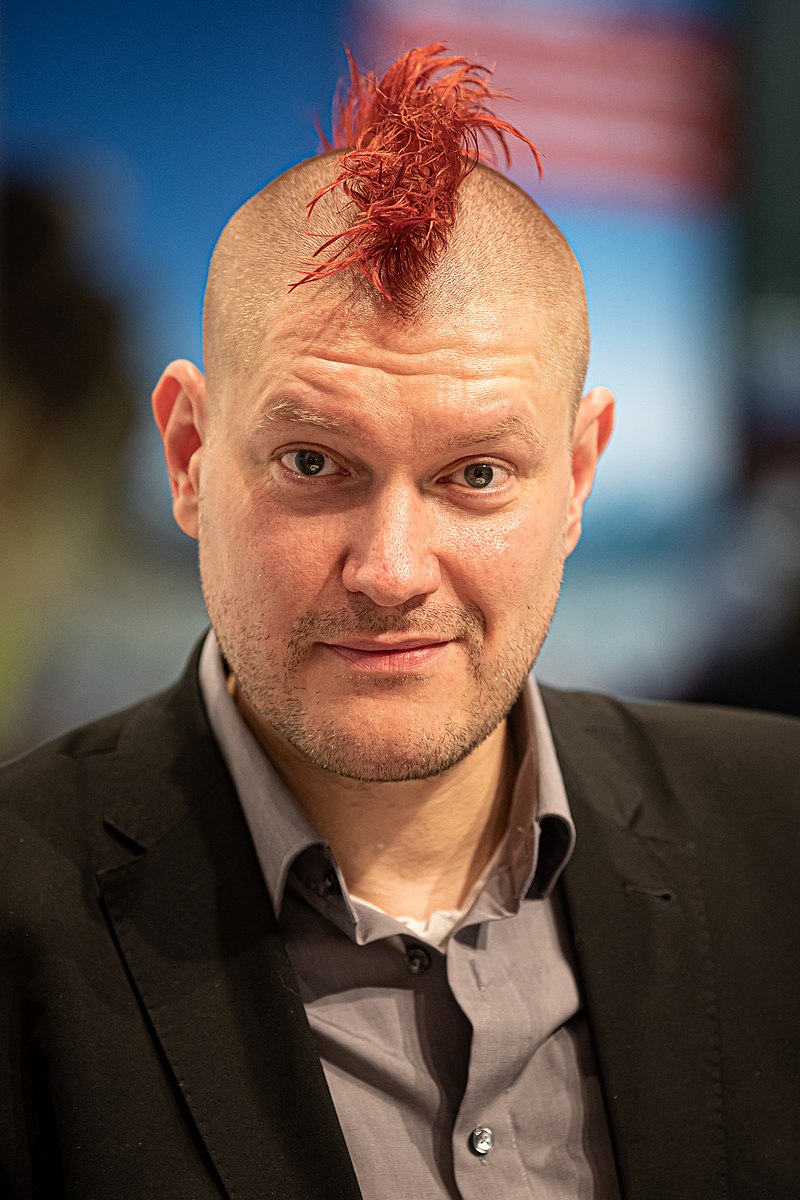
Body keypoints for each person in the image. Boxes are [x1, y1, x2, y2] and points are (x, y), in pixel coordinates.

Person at [1, 44, 798, 1200]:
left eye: (475, 475)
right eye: (312, 462)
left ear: (578, 475)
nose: (388, 571)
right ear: (188, 456)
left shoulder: (780, 835)